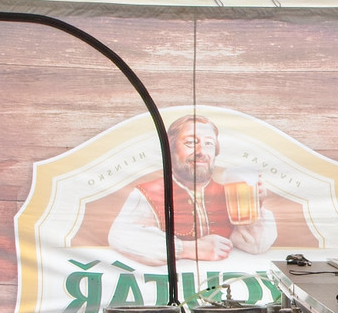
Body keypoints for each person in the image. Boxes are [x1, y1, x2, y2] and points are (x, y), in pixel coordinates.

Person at [108, 114, 277, 267]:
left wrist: (256, 207)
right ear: (170, 149)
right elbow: (121, 236)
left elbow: (256, 245)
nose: (201, 152)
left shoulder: (228, 195)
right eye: (190, 142)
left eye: (209, 144)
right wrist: (188, 249)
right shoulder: (149, 192)